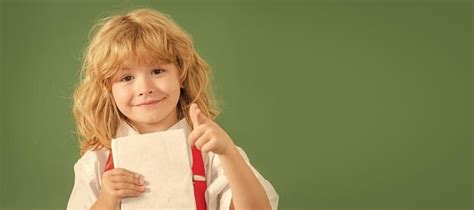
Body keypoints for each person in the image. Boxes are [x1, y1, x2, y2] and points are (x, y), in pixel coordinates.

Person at [66, 8, 279, 210]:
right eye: (127, 77)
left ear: (182, 75)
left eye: (157, 71)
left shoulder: (213, 154)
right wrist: (106, 201)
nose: (145, 88)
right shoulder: (96, 162)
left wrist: (229, 153)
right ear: (108, 88)